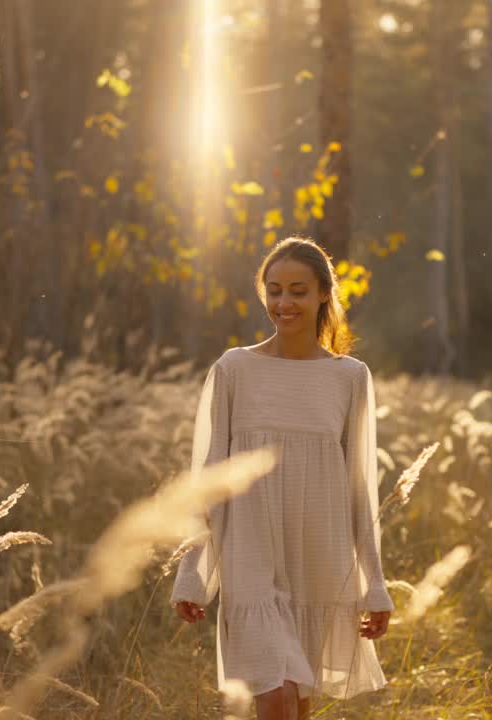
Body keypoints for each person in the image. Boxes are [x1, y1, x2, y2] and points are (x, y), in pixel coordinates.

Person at [171, 236, 395, 720]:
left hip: (320, 556)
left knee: (298, 700)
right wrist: (192, 571)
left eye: (297, 290)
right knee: (275, 693)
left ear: (322, 295)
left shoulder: (349, 377)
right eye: (274, 290)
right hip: (249, 555)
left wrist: (374, 584)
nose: (283, 302)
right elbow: (208, 476)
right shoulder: (234, 369)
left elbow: (361, 489)